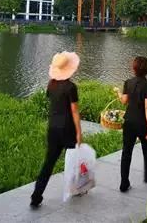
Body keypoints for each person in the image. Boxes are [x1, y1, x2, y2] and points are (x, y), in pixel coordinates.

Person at [31, 51, 82, 208]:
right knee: (73, 160)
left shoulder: (51, 85)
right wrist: (79, 133)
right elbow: (74, 111)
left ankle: (36, 195)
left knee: (49, 162)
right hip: (67, 127)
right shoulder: (71, 87)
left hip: (53, 126)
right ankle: (75, 188)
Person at [114, 56, 147, 192]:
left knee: (126, 152)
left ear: (134, 69)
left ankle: (124, 183)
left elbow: (124, 101)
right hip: (142, 122)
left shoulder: (128, 82)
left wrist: (118, 92)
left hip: (129, 121)